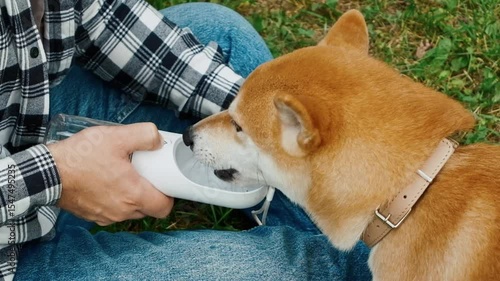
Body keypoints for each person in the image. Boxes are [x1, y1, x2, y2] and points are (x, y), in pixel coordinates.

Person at [0, 1, 371, 280]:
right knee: (284, 267)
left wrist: (257, 120)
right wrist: (58, 175)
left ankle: (345, 219)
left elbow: (111, 23)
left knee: (224, 36)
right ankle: (370, 257)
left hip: (20, 121)